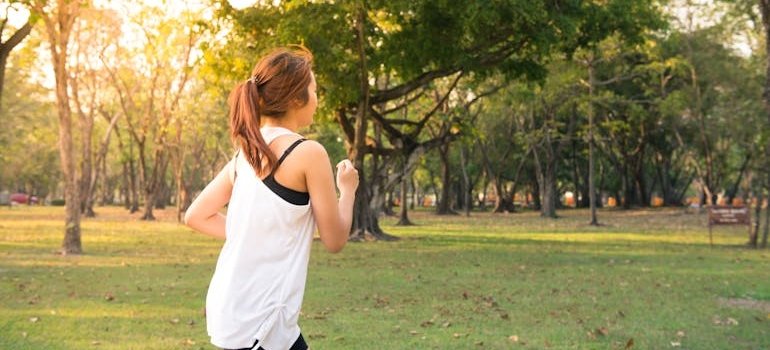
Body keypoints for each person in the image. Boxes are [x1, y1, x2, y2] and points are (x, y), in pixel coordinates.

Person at [184, 46, 358, 350]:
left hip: (232, 308)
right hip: (263, 321)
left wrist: (253, 234)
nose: (317, 100)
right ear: (295, 98)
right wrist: (348, 190)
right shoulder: (308, 153)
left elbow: (196, 215)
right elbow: (335, 240)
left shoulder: (245, 153)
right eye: (314, 90)